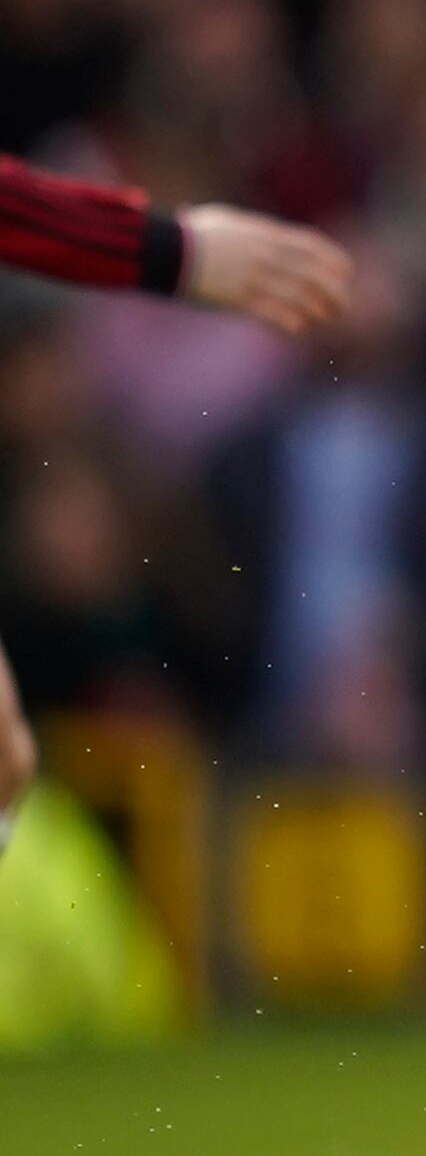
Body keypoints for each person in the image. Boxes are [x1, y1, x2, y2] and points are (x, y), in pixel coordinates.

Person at [0, 155, 349, 809]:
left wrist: (115, 606)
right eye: (19, 360)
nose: (41, 382)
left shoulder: (124, 468)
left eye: (50, 352)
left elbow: (212, 639)